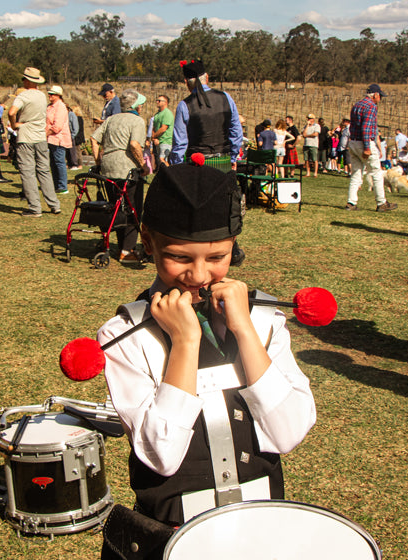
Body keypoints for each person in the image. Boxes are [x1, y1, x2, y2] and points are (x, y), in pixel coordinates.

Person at [96, 163, 316, 554]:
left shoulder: (264, 320)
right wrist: (184, 343)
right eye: (179, 258)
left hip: (263, 526)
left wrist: (245, 330)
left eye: (217, 256)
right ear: (148, 242)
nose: (198, 275)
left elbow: (289, 432)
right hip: (168, 535)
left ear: (234, 244)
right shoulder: (123, 335)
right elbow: (160, 456)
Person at [90, 89, 147, 263]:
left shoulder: (110, 120)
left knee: (116, 206)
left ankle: (122, 245)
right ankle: (127, 250)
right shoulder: (137, 121)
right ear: (136, 106)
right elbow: (134, 144)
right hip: (127, 170)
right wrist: (143, 166)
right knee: (133, 208)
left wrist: (99, 161)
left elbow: (94, 139)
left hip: (108, 169)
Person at [168, 60, 243, 172]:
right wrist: (232, 157)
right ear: (206, 78)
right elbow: (236, 132)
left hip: (196, 164)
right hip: (223, 162)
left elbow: (180, 143)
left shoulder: (184, 105)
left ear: (186, 82)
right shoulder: (226, 98)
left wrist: (177, 166)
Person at [8, 66, 60, 217]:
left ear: (27, 80)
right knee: (44, 171)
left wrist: (13, 125)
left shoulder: (23, 96)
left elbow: (12, 112)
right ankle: (54, 204)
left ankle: (35, 208)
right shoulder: (42, 96)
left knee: (28, 172)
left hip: (26, 138)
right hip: (40, 137)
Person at [345, 84, 397, 212]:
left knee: (356, 173)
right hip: (365, 142)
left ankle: (351, 202)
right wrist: (367, 147)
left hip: (353, 142)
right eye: (380, 96)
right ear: (375, 95)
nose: (380, 99)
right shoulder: (371, 106)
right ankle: (381, 203)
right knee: (376, 172)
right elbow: (366, 127)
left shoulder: (357, 105)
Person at [46, 85, 72, 194]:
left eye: (52, 94)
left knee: (59, 162)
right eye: (49, 94)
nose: (50, 96)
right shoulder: (50, 106)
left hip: (58, 139)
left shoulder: (60, 107)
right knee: (53, 163)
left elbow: (57, 126)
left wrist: (45, 134)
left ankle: (62, 186)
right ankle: (56, 184)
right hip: (51, 139)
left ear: (58, 95)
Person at [151, 94, 174, 168]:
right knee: (160, 162)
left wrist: (154, 136)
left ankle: (170, 174)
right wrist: (154, 139)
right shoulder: (157, 114)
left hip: (165, 141)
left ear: (165, 102)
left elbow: (163, 128)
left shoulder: (167, 113)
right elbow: (154, 128)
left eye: (159, 100)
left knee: (162, 159)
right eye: (157, 100)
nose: (157, 102)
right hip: (158, 141)